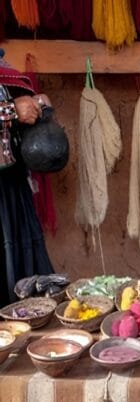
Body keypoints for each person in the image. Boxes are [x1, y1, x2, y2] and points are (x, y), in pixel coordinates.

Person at [0, 51, 54, 307]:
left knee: (22, 276)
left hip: (11, 183)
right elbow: (10, 112)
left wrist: (35, 104)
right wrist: (13, 111)